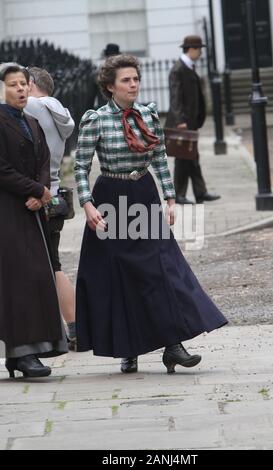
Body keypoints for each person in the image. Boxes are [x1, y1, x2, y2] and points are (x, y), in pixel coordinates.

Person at [74, 54, 227, 374]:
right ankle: (128, 348)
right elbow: (80, 167)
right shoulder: (96, 120)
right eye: (126, 80)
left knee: (162, 268)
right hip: (111, 200)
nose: (134, 85)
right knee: (122, 275)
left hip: (144, 194)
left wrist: (171, 198)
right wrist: (87, 204)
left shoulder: (148, 115)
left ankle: (174, 345)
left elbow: (159, 159)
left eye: (136, 79)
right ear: (109, 86)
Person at [0, 64, 68, 378]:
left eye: (24, 84)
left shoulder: (31, 121)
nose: (21, 90)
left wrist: (41, 192)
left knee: (39, 276)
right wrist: (35, 189)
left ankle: (36, 349)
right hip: (8, 210)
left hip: (33, 209)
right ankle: (20, 354)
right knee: (19, 281)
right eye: (13, 85)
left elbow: (44, 159)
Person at [25, 67, 76, 350]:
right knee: (53, 265)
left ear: (30, 84)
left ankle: (49, 332)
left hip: (36, 196)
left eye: (21, 83)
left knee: (45, 267)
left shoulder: (34, 106)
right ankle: (76, 327)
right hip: (55, 196)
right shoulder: (59, 112)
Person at [166, 35, 221, 205]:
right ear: (191, 49)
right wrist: (180, 120)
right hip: (183, 123)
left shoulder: (188, 67)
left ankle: (200, 192)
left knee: (192, 158)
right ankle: (179, 195)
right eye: (199, 49)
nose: (201, 53)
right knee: (184, 158)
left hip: (190, 122)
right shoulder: (178, 69)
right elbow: (175, 98)